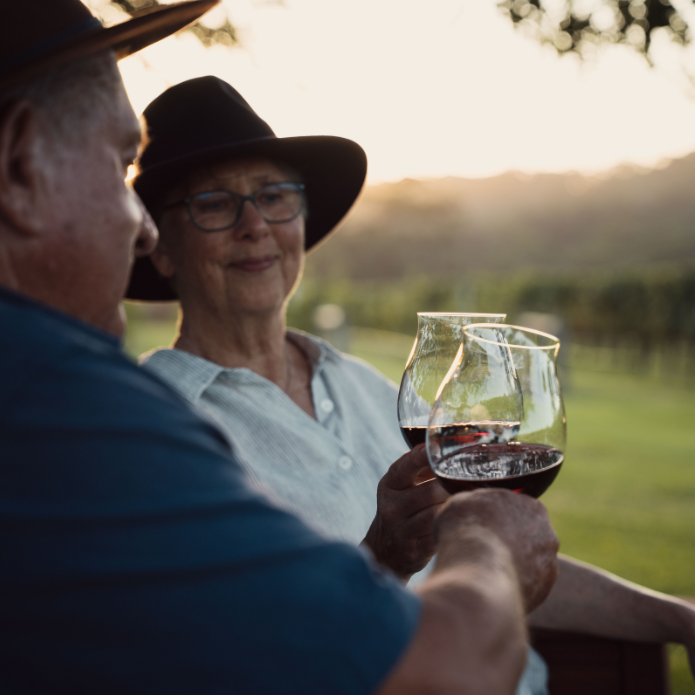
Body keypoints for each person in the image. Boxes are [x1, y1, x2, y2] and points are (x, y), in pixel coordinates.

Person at [0, 2, 561, 694]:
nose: (138, 229)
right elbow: (435, 669)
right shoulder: (75, 417)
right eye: (120, 166)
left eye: (273, 196)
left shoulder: (356, 381)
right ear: (20, 163)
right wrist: (485, 543)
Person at [127, 75, 695, 687]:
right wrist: (383, 559)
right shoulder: (152, 432)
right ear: (159, 246)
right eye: (214, 203)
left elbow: (491, 560)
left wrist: (681, 618)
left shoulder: (368, 388)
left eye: (274, 195)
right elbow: (250, 654)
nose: (255, 224)